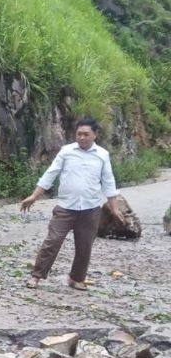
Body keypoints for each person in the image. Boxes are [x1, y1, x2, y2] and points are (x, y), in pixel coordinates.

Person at [21, 117, 124, 290]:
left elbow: (108, 182)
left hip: (90, 209)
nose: (82, 138)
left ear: (95, 135)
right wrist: (34, 196)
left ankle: (76, 278)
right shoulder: (66, 151)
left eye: (86, 134)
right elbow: (50, 174)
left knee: (84, 246)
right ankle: (36, 276)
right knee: (52, 242)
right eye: (79, 134)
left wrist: (114, 209)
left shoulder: (102, 155)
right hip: (65, 208)